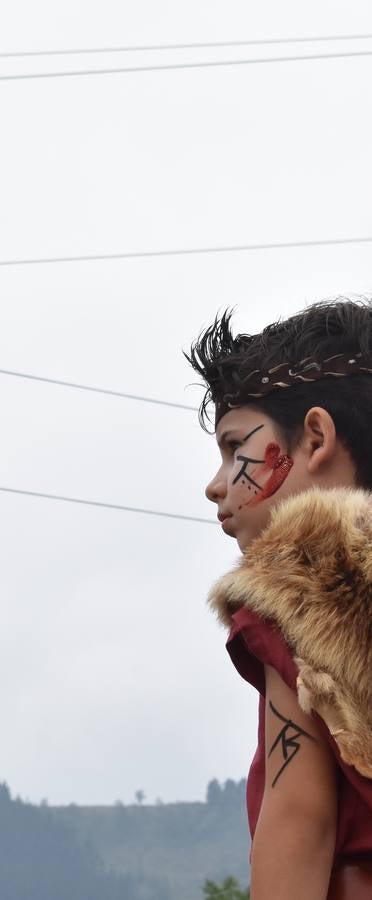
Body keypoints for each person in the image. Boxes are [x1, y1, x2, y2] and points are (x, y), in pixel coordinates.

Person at [192, 301, 372, 900]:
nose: (215, 484)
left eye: (233, 445)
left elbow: (301, 817)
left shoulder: (304, 591)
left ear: (316, 437)